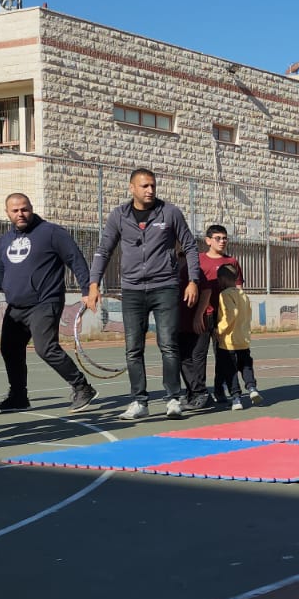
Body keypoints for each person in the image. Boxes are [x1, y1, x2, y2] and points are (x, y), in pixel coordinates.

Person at [85, 168, 202, 421]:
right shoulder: (119, 215)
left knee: (168, 344)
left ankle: (172, 398)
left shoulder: (170, 212)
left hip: (166, 288)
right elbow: (104, 250)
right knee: (132, 349)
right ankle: (139, 401)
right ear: (132, 188)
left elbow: (190, 246)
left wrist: (193, 281)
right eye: (144, 186)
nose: (150, 190)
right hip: (132, 290)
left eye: (152, 186)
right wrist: (94, 284)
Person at [0, 194, 98, 414]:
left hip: (45, 302)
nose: (20, 214)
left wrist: (87, 289)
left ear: (31, 208)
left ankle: (82, 387)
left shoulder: (52, 232)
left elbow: (75, 259)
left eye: (24, 209)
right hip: (15, 307)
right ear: (7, 213)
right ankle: (18, 396)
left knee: (46, 348)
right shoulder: (5, 240)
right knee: (9, 349)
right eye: (15, 210)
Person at [180, 224, 240, 410]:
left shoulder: (232, 262)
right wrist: (198, 314)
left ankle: (221, 389)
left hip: (225, 316)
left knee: (224, 354)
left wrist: (238, 314)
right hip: (206, 314)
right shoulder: (198, 260)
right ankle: (198, 393)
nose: (222, 241)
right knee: (198, 354)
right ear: (208, 241)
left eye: (225, 238)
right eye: (218, 238)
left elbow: (238, 290)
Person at [212, 262, 260, 410]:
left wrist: (219, 330)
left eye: (219, 280)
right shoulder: (243, 295)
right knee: (246, 366)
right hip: (243, 340)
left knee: (230, 370)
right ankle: (252, 388)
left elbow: (230, 314)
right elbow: (247, 315)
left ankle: (236, 398)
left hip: (228, 341)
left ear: (223, 279)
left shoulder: (224, 294)